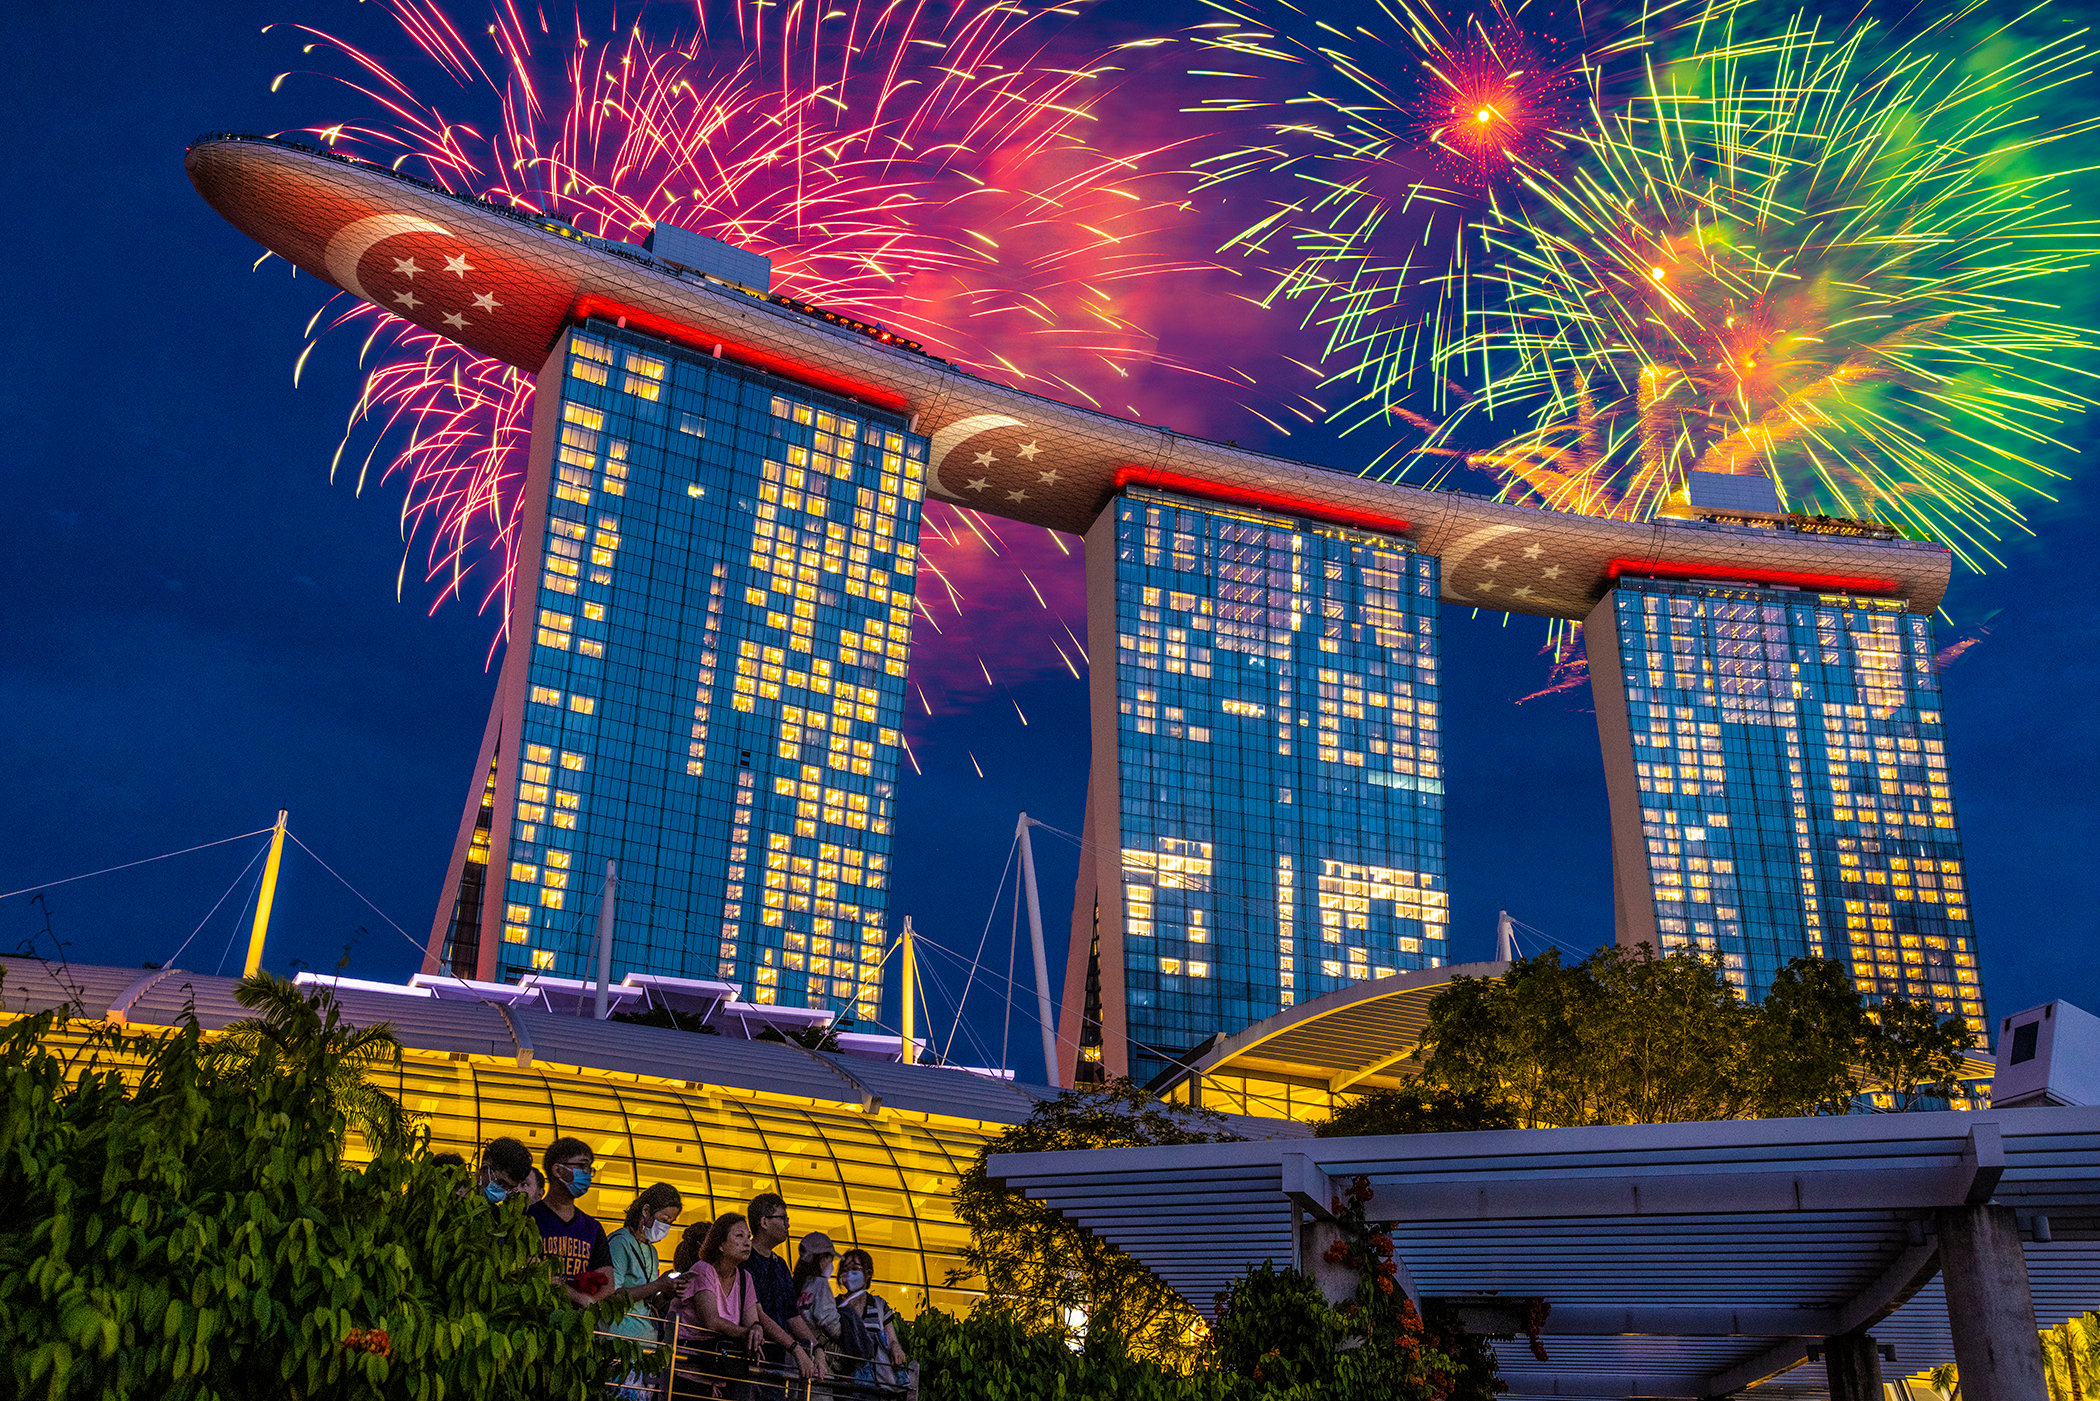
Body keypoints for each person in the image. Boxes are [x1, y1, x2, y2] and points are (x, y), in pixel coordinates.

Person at [668, 1213, 815, 1398]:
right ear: (720, 1244)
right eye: (739, 1236)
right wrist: (747, 1333)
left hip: (720, 1377)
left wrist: (756, 1329)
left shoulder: (745, 1278)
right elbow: (711, 1320)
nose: (747, 1243)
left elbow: (752, 1320)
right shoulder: (703, 1269)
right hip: (689, 1374)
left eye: (748, 1237)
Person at [607, 1184, 685, 1400]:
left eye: (670, 1222)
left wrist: (668, 1292)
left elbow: (649, 1300)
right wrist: (658, 1285)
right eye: (664, 1219)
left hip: (645, 1347)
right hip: (621, 1344)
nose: (666, 1226)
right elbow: (612, 1295)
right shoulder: (620, 1242)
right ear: (645, 1211)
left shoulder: (651, 1250)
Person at [745, 1192, 825, 1383]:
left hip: (778, 1360)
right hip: (753, 1356)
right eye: (783, 1218)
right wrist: (795, 1348)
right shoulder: (745, 1261)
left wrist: (817, 1348)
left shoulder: (779, 1264)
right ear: (764, 1222)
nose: (787, 1224)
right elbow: (758, 1313)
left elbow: (792, 1314)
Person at [527, 1136, 617, 1307]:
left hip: (576, 1325)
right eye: (581, 1166)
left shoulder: (593, 1228)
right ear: (557, 1170)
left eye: (589, 1168)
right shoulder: (529, 1219)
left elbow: (608, 1283)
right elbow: (528, 1269)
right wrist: (577, 1297)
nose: (587, 1174)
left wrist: (589, 1304)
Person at [836, 1248, 909, 1392]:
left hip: (874, 1383)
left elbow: (891, 1339)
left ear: (868, 1274)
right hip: (842, 1380)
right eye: (845, 1270)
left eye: (855, 1269)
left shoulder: (878, 1305)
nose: (850, 1274)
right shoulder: (834, 1306)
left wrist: (895, 1347)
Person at [792, 1233, 843, 1392]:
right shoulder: (820, 1284)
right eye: (830, 1258)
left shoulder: (798, 1283)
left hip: (798, 1357)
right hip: (819, 1360)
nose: (832, 1264)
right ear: (822, 1258)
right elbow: (832, 1326)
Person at [477, 1136, 537, 1207]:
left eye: (510, 1189)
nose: (504, 1192)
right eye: (502, 1183)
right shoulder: (462, 1204)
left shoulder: (496, 1213)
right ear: (484, 1171)